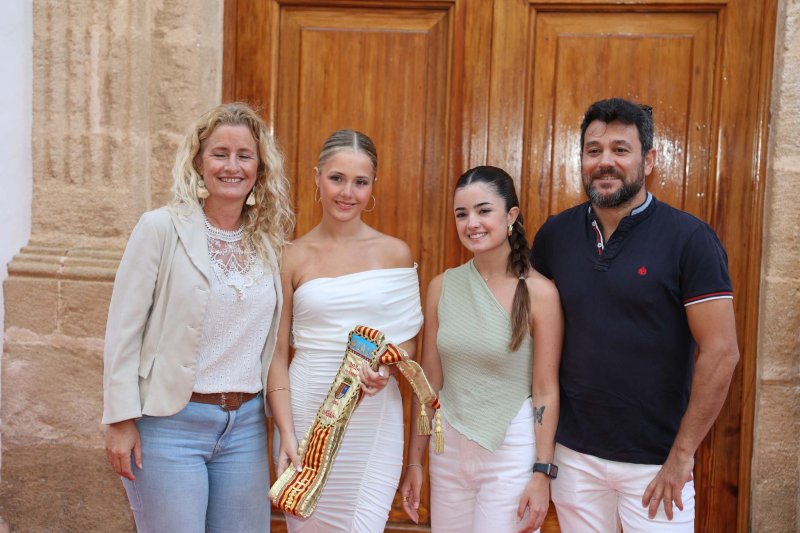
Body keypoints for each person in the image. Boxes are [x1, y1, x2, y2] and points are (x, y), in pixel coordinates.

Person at [531, 97, 740, 532]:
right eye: (594, 150)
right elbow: (531, 337)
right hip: (574, 459)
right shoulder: (555, 236)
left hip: (657, 468)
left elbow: (722, 354)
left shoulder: (691, 240)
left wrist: (681, 457)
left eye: (620, 150)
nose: (605, 162)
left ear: (649, 160)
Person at [102, 102, 294, 532]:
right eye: (219, 153)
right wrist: (118, 420)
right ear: (198, 162)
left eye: (245, 155)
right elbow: (123, 331)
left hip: (244, 428)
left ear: (260, 168)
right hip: (169, 427)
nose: (232, 166)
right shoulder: (160, 229)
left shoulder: (269, 243)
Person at [268, 129, 423, 532]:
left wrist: (386, 369)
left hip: (372, 414)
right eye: (337, 178)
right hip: (304, 416)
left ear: (373, 186)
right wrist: (286, 433)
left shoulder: (396, 252)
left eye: (360, 181)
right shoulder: (291, 256)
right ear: (317, 177)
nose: (347, 192)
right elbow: (276, 355)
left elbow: (407, 339)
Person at [399, 166, 563, 533]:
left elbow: (546, 391)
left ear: (511, 216)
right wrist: (415, 463)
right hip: (448, 451)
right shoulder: (442, 286)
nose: (471, 222)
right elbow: (428, 386)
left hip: (511, 451)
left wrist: (542, 473)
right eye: (462, 213)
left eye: (483, 210)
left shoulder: (540, 293)